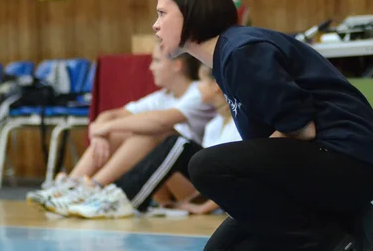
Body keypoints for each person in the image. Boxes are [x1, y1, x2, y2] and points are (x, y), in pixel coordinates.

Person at [153, 0, 373, 251]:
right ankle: (349, 227)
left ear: (191, 12)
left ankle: (318, 243)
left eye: (162, 13)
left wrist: (252, 185)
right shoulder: (226, 58)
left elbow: (302, 129)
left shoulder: (242, 52)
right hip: (323, 166)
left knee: (207, 166)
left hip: (349, 160)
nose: (155, 25)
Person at [26, 43, 216, 212]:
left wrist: (103, 128)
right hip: (164, 178)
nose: (151, 67)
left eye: (157, 61)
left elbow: (160, 121)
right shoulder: (163, 97)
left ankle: (93, 187)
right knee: (121, 131)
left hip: (196, 185)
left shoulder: (199, 92)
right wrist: (101, 132)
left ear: (177, 65)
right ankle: (71, 186)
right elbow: (109, 115)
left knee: (154, 132)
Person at [61, 63, 241, 219]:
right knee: (143, 134)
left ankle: (118, 196)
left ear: (216, 86)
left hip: (225, 198)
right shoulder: (214, 125)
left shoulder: (238, 125)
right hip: (201, 192)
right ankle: (74, 188)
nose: (198, 86)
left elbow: (237, 181)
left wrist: (204, 208)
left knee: (176, 142)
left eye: (201, 82)